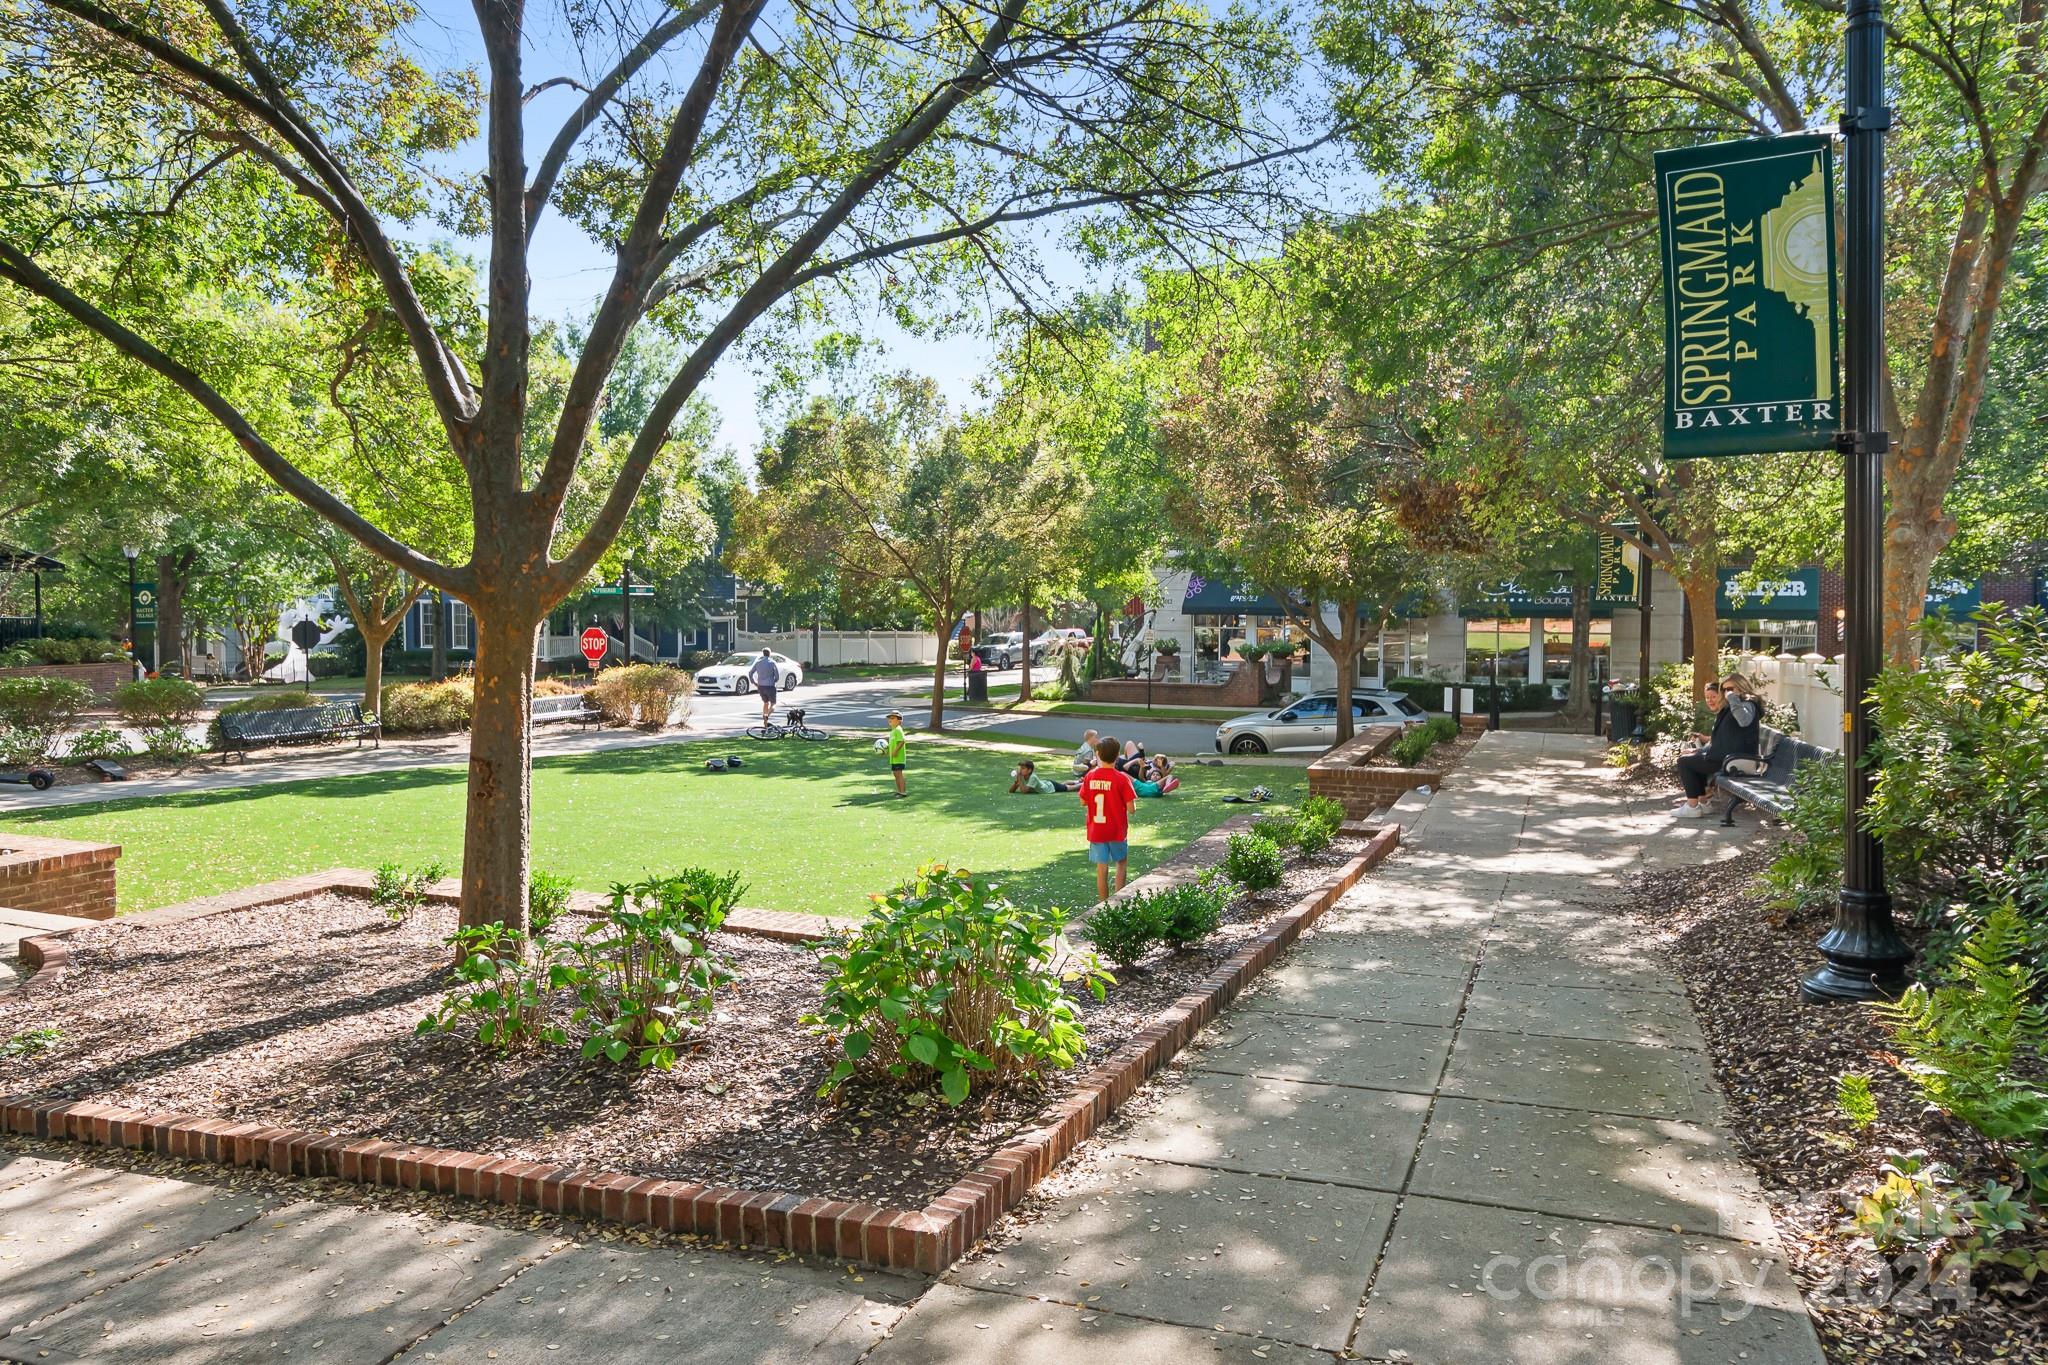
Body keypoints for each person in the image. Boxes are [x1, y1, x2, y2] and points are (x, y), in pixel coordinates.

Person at [1674, 677, 1760, 818]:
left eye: (1730, 689)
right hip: (1728, 756)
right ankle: (1703, 804)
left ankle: (1692, 806)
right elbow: (1721, 740)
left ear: (1741, 687)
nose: (1727, 693)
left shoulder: (1748, 704)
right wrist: (1699, 750)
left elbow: (1744, 721)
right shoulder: (1731, 707)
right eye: (1725, 690)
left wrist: (1732, 698)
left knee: (1684, 762)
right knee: (1691, 758)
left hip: (1736, 760)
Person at [1078, 735, 1138, 900]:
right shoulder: (1122, 779)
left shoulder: (1090, 776)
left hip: (1097, 830)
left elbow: (1083, 801)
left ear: (1097, 754)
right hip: (1117, 829)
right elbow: (1131, 809)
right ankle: (1118, 901)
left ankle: (1102, 904)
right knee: (1121, 863)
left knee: (1101, 868)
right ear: (1117, 755)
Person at [747, 648, 781, 722]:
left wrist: (754, 682)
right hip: (770, 686)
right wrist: (774, 681)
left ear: (763, 653)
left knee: (765, 702)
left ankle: (765, 722)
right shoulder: (772, 663)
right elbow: (777, 676)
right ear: (769, 654)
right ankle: (767, 715)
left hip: (761, 686)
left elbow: (750, 673)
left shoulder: (758, 662)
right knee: (773, 704)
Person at [1009, 759, 1075, 794]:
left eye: (1023, 768)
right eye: (1020, 768)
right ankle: (1078, 781)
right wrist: (1016, 782)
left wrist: (1019, 778)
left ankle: (1082, 784)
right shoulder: (1023, 776)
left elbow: (1024, 791)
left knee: (1068, 788)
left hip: (1050, 787)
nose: (1020, 770)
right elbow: (1011, 791)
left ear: (1029, 770)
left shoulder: (1032, 777)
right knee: (1062, 784)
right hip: (1047, 783)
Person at [885, 711, 907, 798]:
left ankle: (903, 792)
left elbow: (902, 741)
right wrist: (887, 751)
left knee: (899, 774)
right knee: (895, 774)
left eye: (893, 718)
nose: (890, 720)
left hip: (899, 757)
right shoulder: (893, 731)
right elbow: (892, 744)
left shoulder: (898, 729)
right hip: (893, 758)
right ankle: (899, 791)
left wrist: (895, 751)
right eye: (889, 718)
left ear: (899, 720)